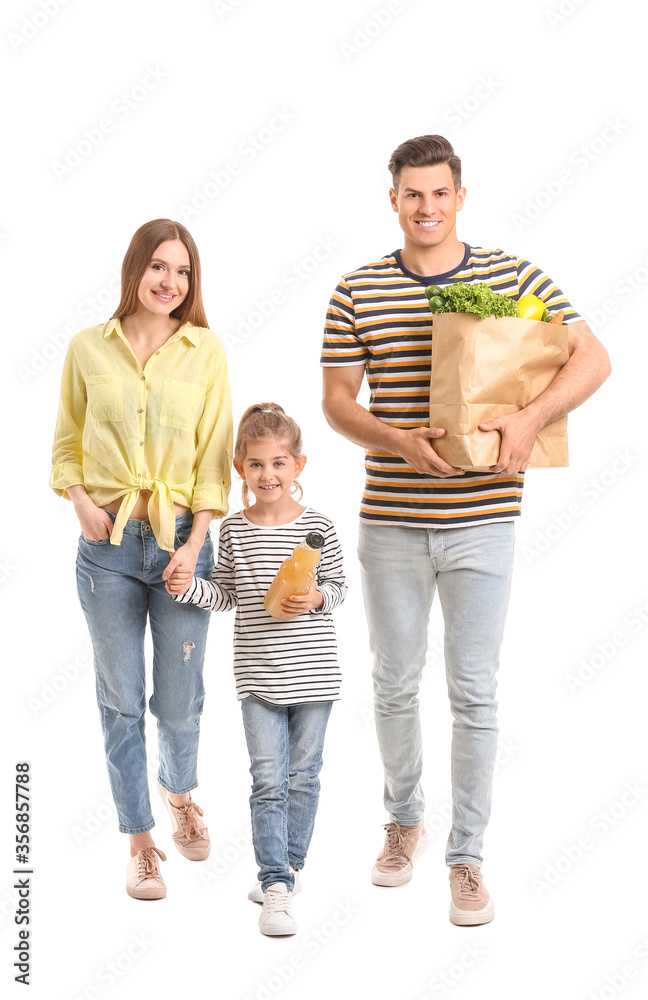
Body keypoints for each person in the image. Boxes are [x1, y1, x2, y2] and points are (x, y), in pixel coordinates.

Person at [320, 135, 611, 925]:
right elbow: (339, 402)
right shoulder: (358, 290)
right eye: (412, 194)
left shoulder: (508, 277)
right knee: (392, 681)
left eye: (439, 193)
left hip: (484, 521)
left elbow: (593, 357)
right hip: (391, 522)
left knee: (475, 692)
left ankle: (467, 857)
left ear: (460, 197)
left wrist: (529, 418)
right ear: (393, 201)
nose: (426, 207)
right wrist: (398, 439)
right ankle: (403, 821)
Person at [50, 219, 233, 900]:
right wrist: (80, 503)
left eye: (183, 272)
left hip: (183, 540)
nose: (170, 282)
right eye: (158, 267)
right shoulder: (86, 349)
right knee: (119, 700)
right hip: (107, 545)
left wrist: (192, 544)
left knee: (180, 702)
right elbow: (65, 442)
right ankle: (139, 839)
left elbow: (216, 458)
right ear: (135, 269)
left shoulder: (205, 350)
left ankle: (180, 793)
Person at [168, 403, 346, 936]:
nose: (268, 475)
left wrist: (315, 597)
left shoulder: (319, 526)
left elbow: (338, 588)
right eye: (256, 465)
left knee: (304, 777)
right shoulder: (235, 532)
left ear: (299, 466)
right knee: (268, 781)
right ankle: (275, 883)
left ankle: (288, 868)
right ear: (239, 470)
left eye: (279, 464)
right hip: (258, 678)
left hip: (315, 676)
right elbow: (225, 595)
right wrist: (188, 588)